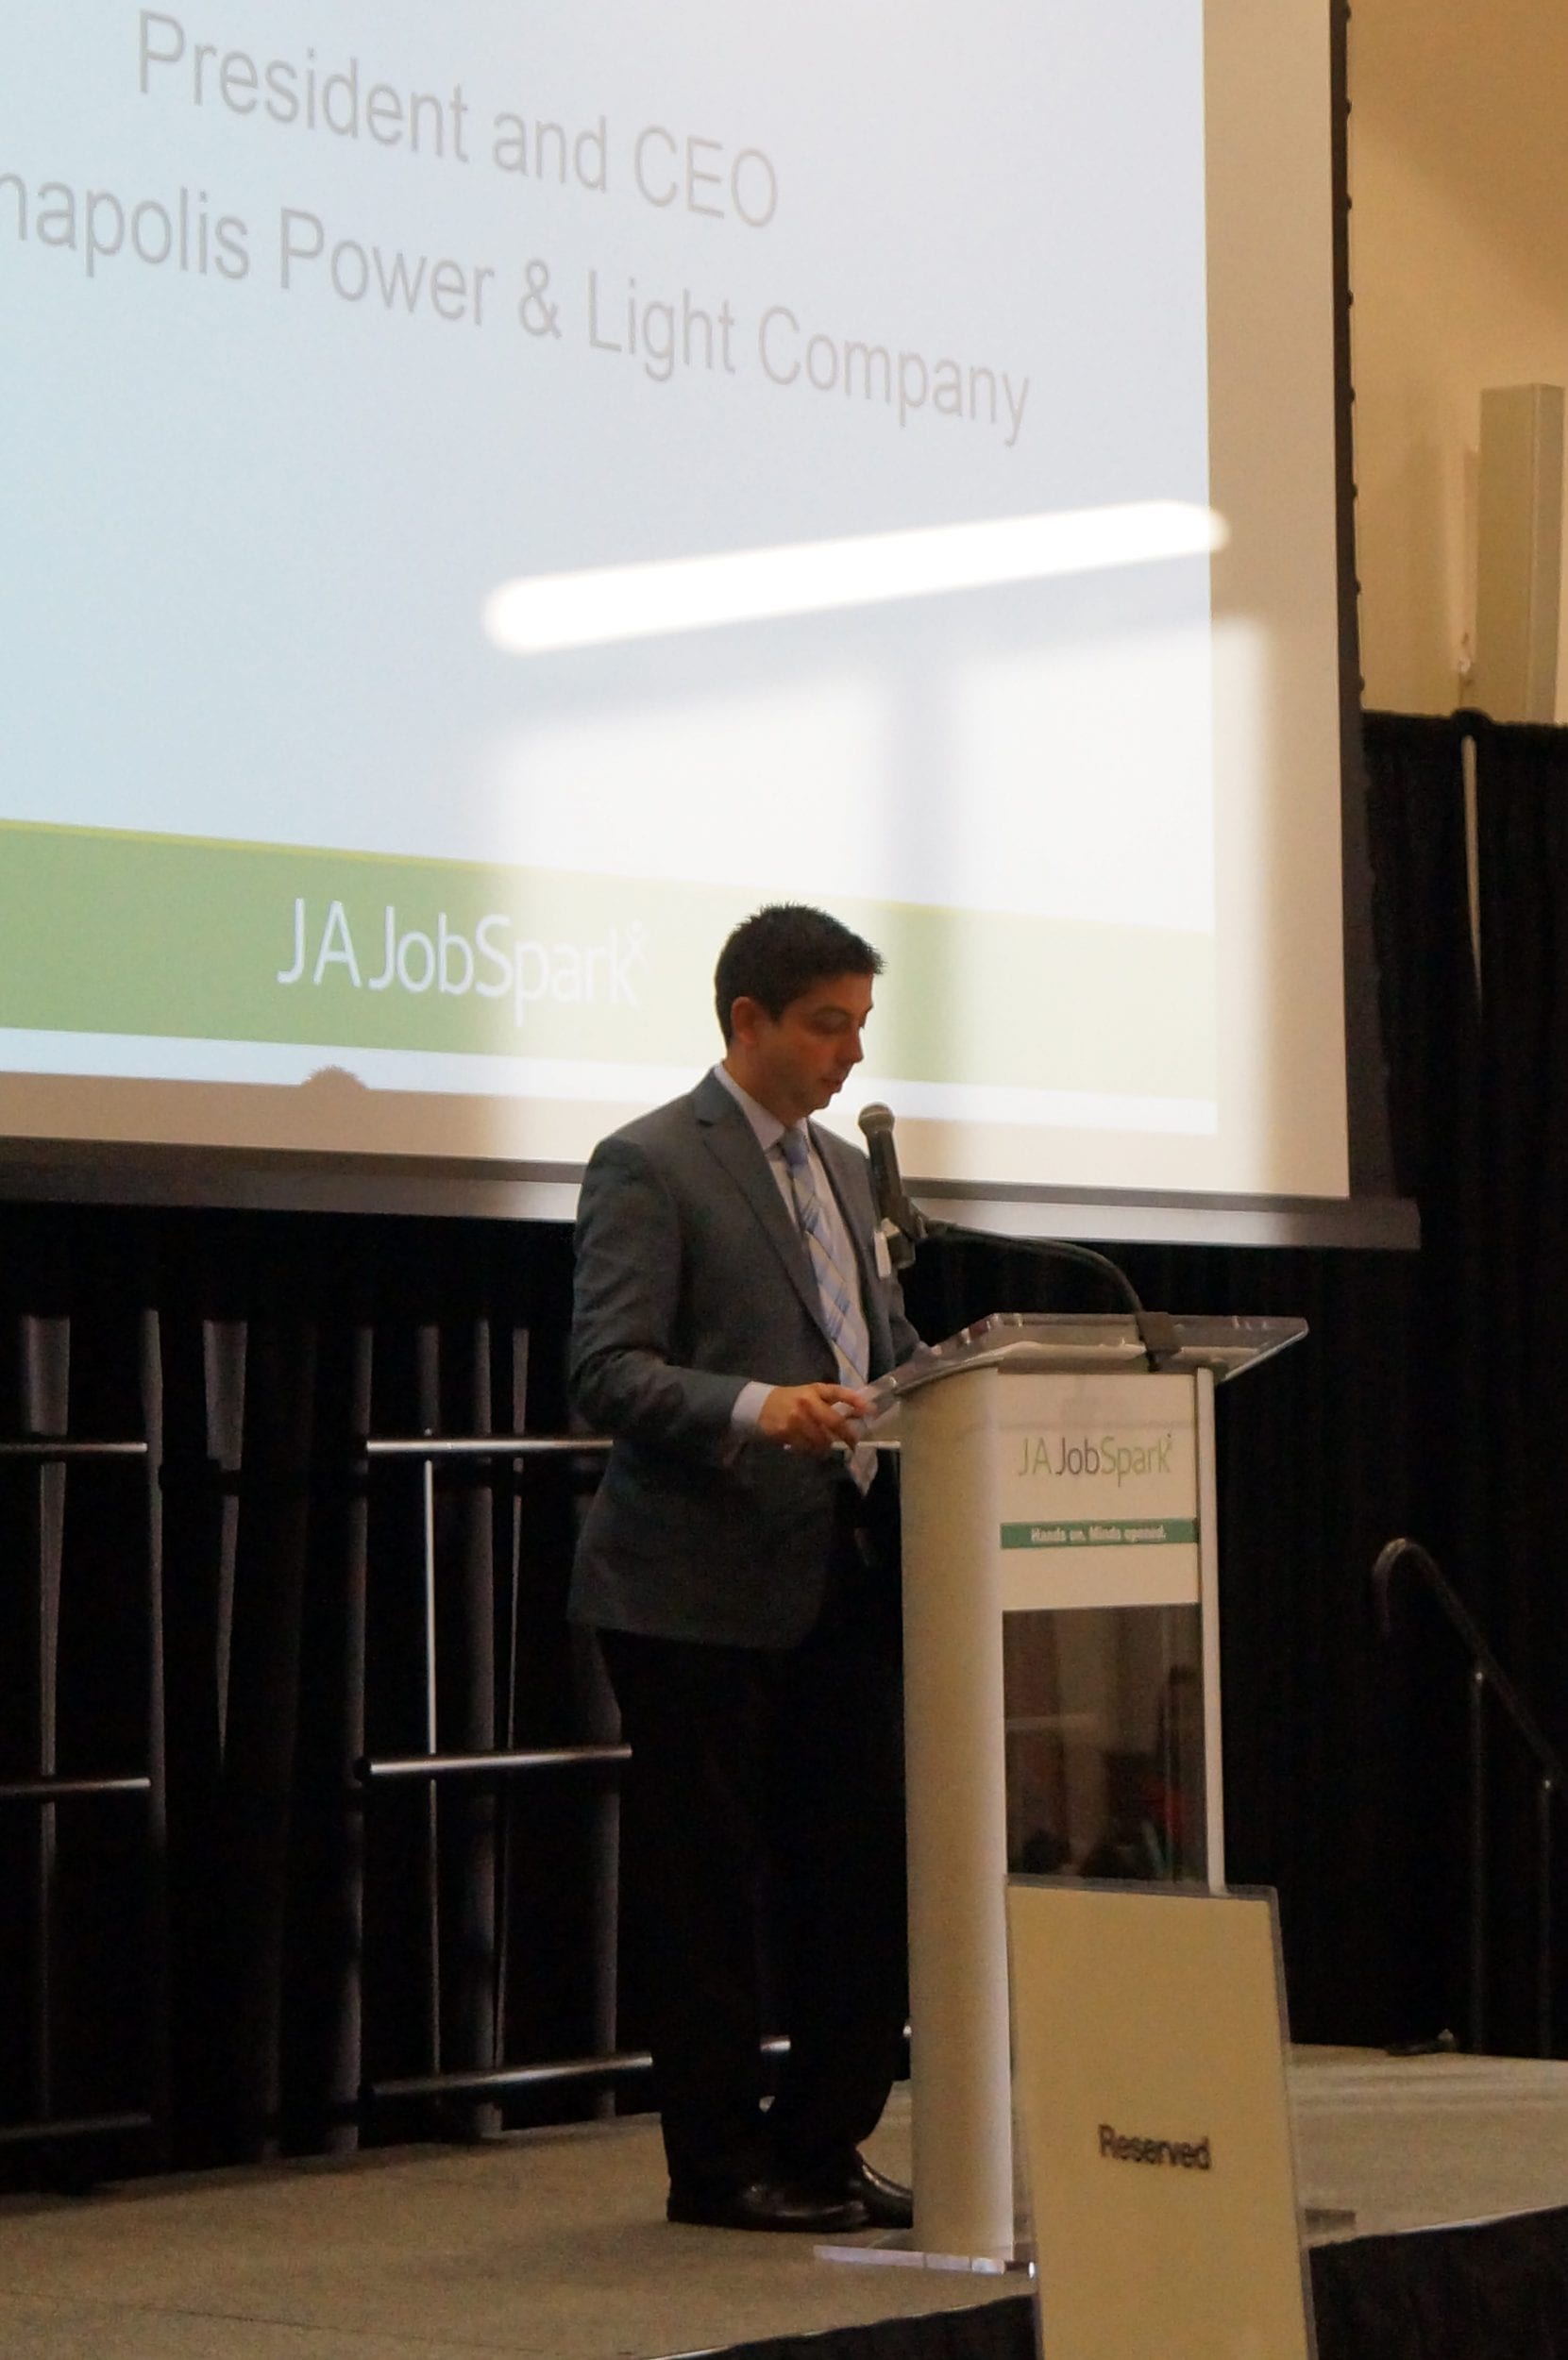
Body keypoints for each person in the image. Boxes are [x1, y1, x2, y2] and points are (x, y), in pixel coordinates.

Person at [568, 903, 922, 2234]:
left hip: (841, 1572)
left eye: (860, 1027)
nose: (850, 1054)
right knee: (707, 1893)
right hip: (691, 1590)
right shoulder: (651, 1161)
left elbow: (882, 1346)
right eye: (827, 1026)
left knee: (857, 1879)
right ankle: (717, 2167)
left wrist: (945, 1379)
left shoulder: (847, 1172)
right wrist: (756, 1407)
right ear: (747, 1020)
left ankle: (822, 2143)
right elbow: (607, 1369)